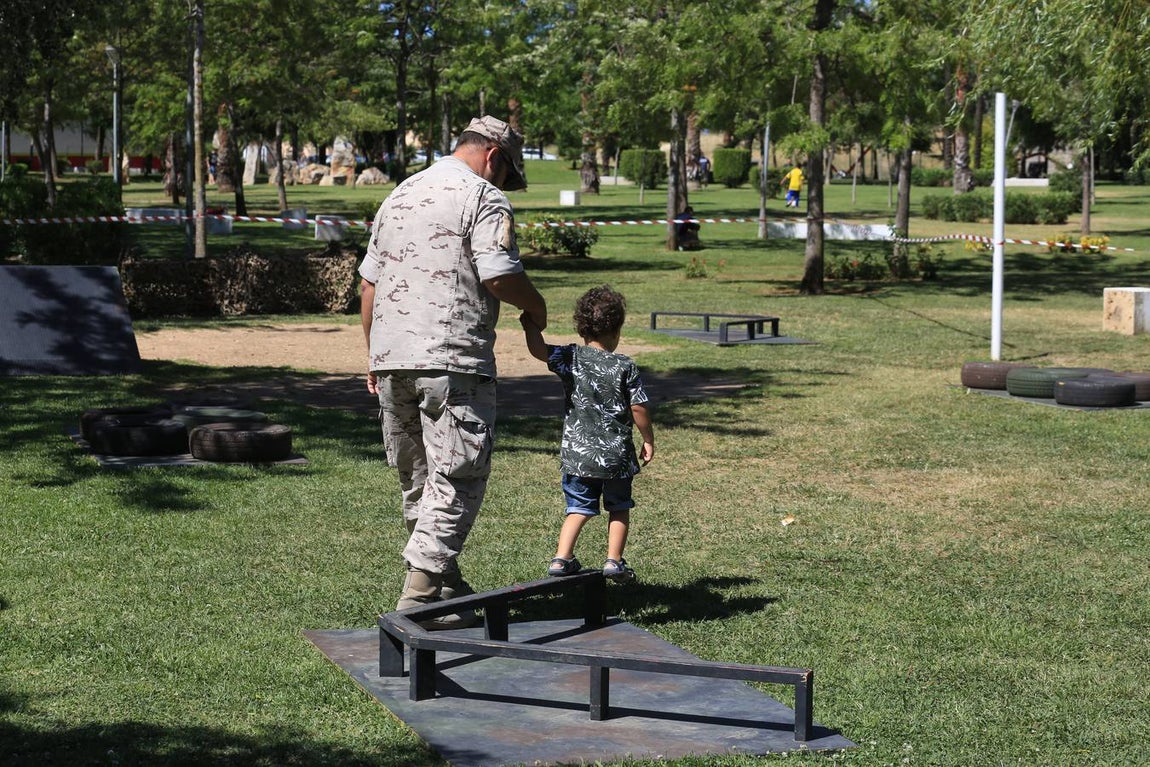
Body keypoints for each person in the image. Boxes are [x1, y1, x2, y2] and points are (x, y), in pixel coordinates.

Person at [360, 115, 548, 628]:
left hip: (392, 356)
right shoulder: (483, 198)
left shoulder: (399, 195)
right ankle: (418, 598)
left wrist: (374, 354)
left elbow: (369, 287)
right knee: (459, 475)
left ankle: (446, 584)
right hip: (452, 359)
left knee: (418, 478)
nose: (505, 184)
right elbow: (500, 274)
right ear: (493, 155)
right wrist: (537, 308)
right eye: (507, 173)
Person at [519, 285, 655, 583]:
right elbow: (639, 408)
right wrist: (647, 439)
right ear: (617, 329)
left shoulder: (570, 357)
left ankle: (561, 558)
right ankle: (613, 561)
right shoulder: (625, 365)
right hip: (616, 457)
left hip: (578, 455)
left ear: (581, 328)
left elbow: (538, 351)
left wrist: (529, 325)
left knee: (578, 507)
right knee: (619, 507)